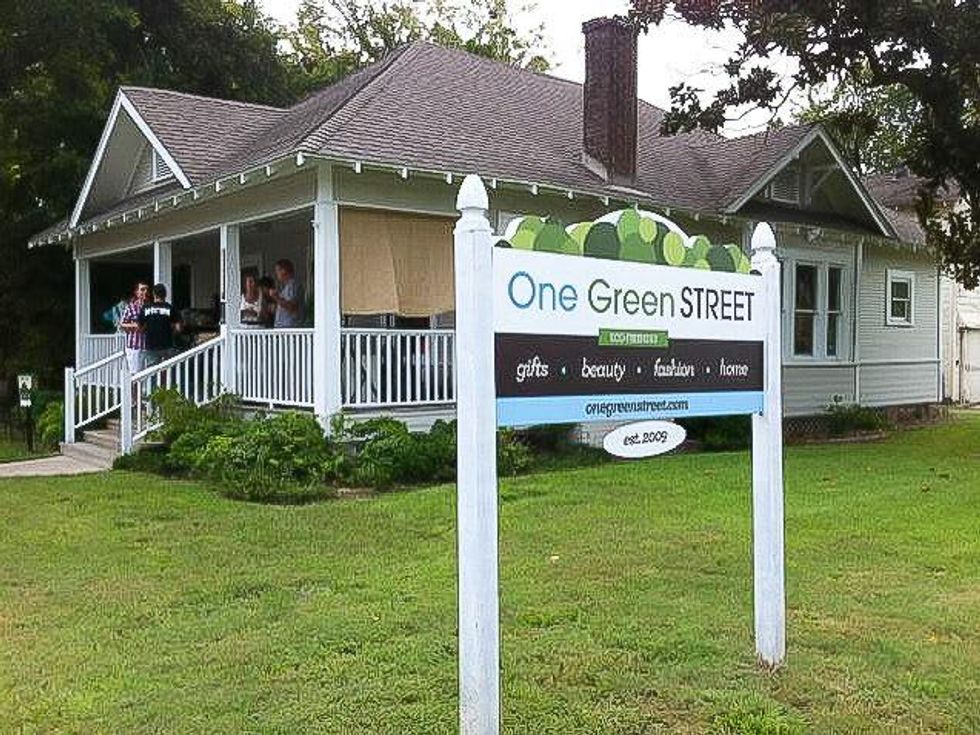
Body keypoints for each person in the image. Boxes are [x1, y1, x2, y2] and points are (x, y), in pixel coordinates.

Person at [139, 283, 182, 367]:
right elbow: (178, 328)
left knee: (152, 372)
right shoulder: (170, 308)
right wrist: (172, 331)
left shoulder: (146, 308)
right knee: (169, 370)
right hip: (167, 345)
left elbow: (140, 326)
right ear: (165, 295)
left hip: (151, 346)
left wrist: (147, 330)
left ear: (153, 294)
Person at [119, 281, 150, 373]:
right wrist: (135, 325)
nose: (145, 292)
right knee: (135, 374)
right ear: (137, 292)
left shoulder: (150, 307)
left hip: (148, 346)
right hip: (134, 345)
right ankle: (134, 388)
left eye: (147, 290)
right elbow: (122, 324)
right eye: (142, 289)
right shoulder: (131, 307)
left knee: (147, 374)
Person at [270, 259, 304, 328]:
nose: (276, 273)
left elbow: (291, 307)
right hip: (285, 329)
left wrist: (276, 297)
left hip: (290, 329)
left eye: (278, 270)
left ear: (284, 271)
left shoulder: (293, 285)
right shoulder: (288, 286)